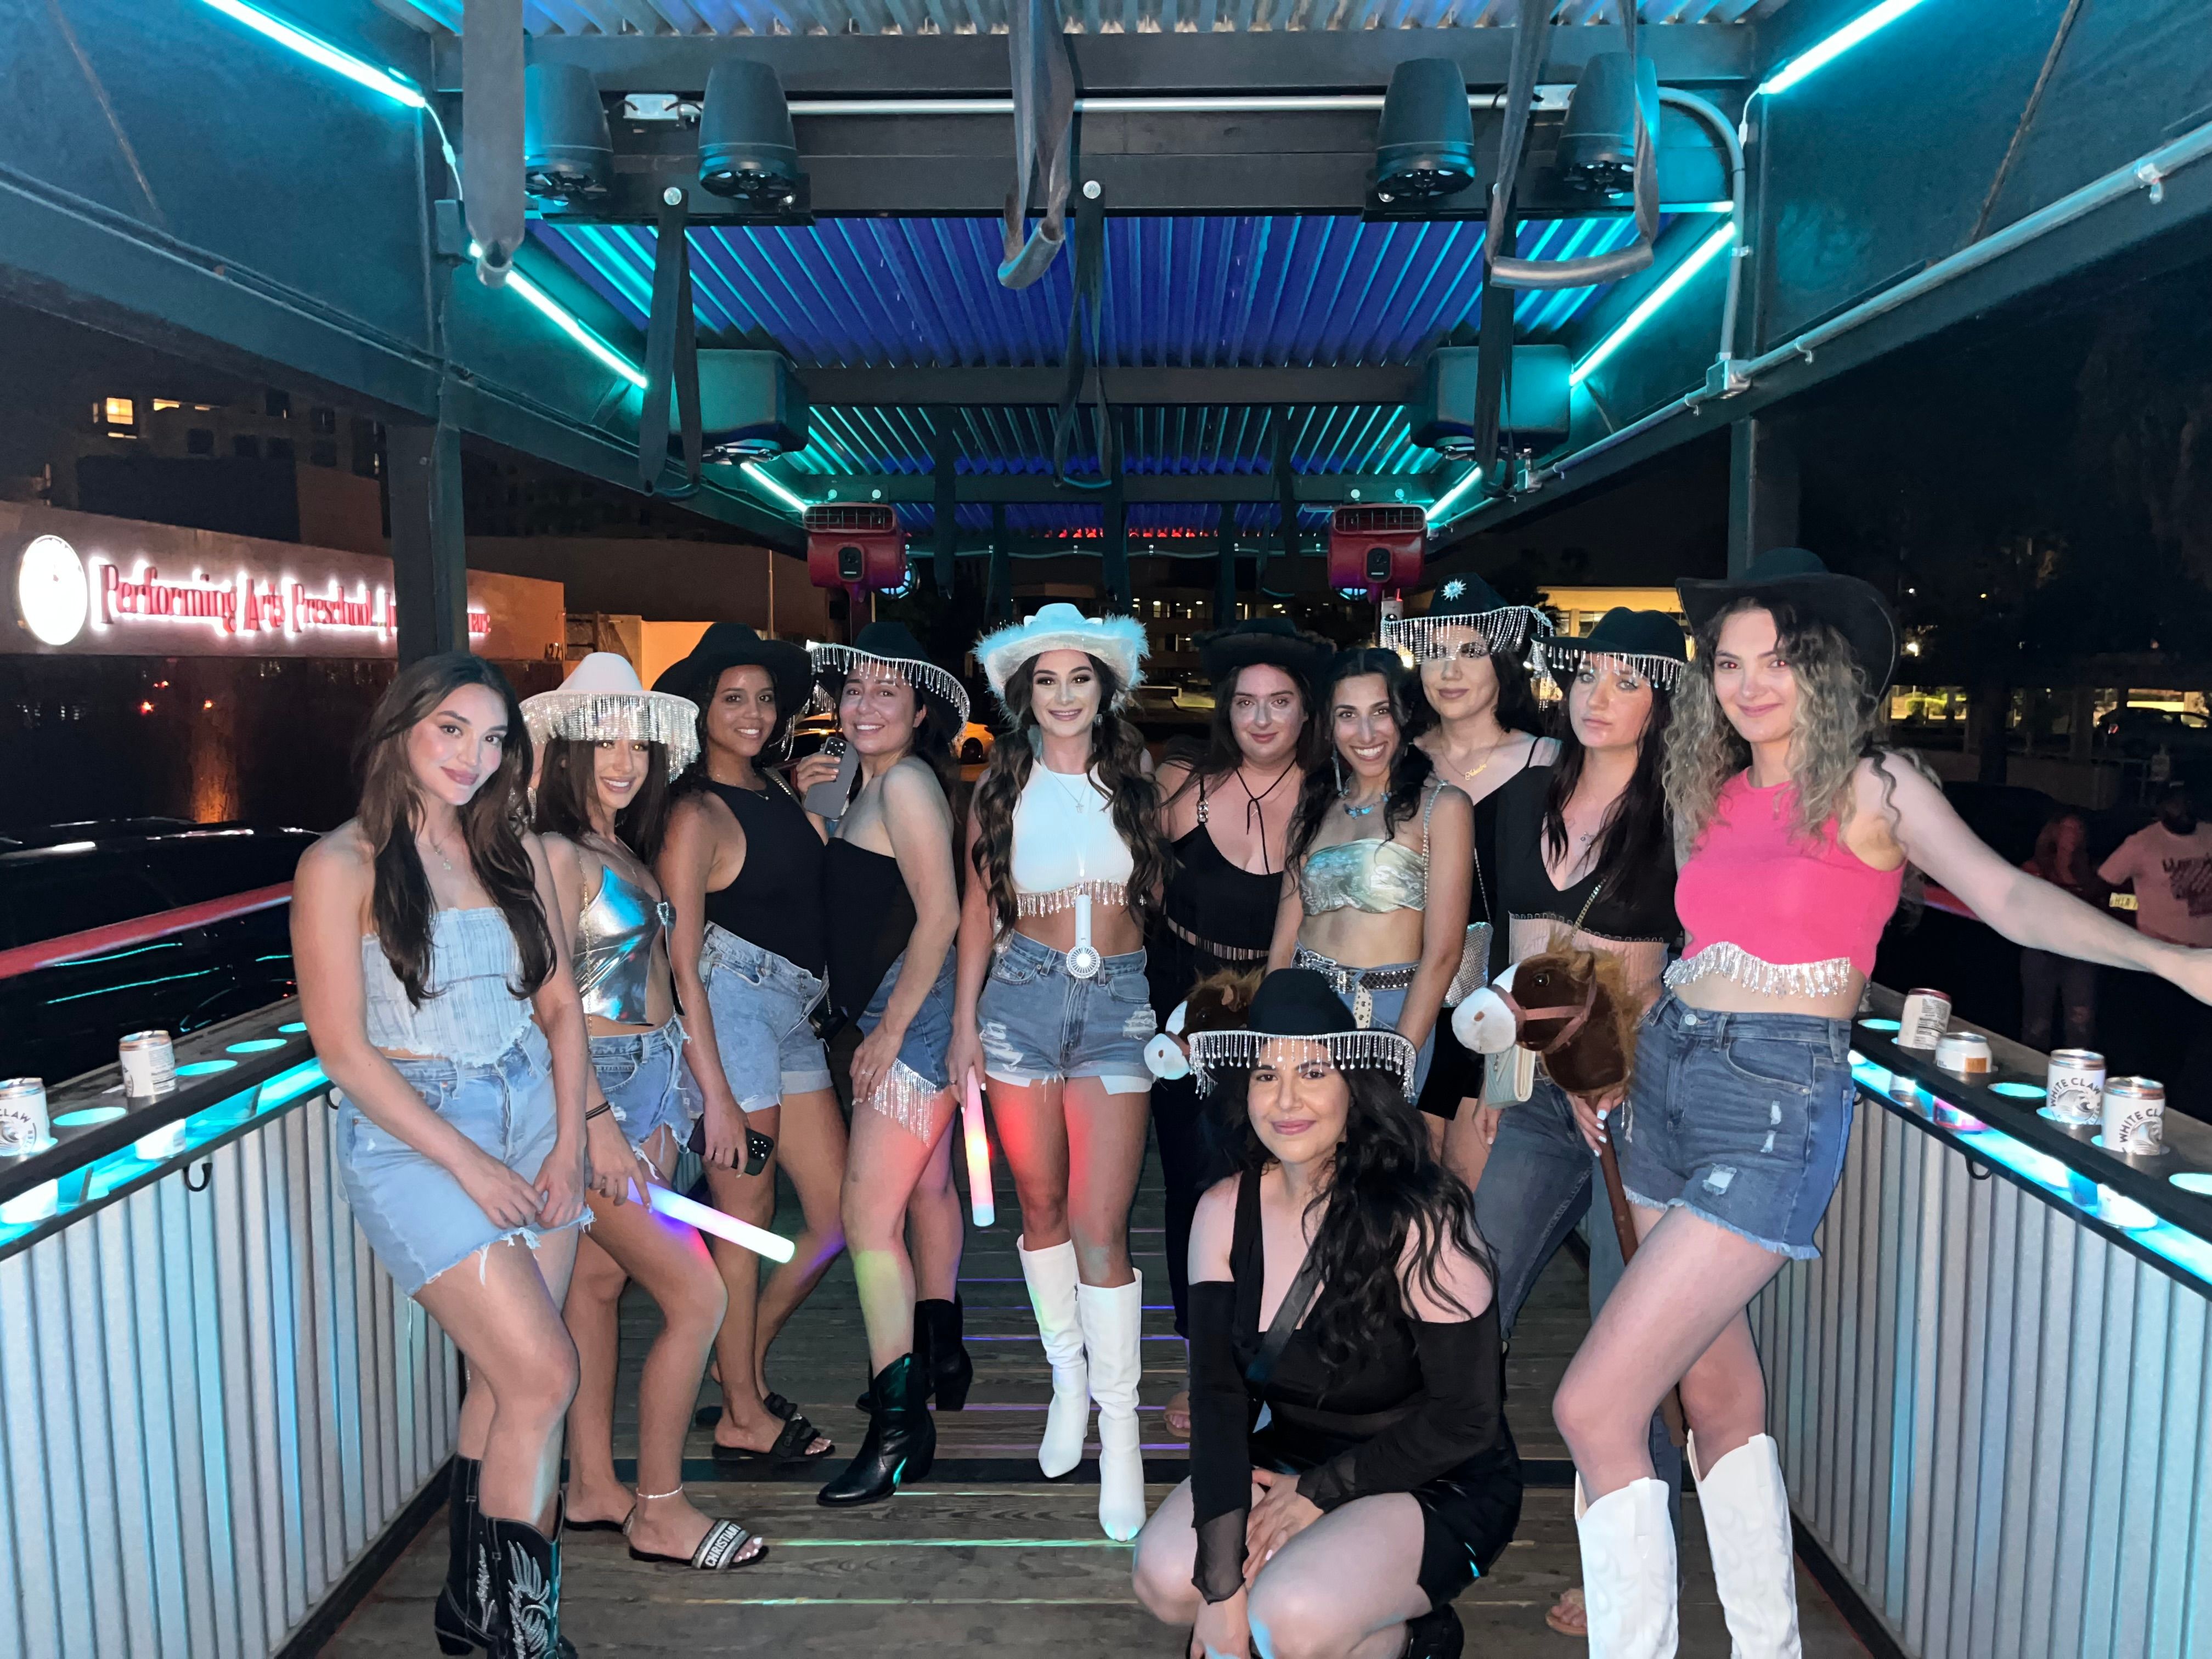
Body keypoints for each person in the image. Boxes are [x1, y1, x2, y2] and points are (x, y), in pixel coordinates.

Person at [1556, 549, 2212, 1656]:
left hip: (1772, 1102)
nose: (1750, 682)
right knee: (1718, 1405)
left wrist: (2175, 966)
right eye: (1728, 662)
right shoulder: (1706, 785)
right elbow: (1678, 942)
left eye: (1781, 660)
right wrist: (1603, 1058)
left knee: (1592, 1409)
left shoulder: (1876, 784)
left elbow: (2007, 897)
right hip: (1663, 1078)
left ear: (1834, 671)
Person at [292, 653, 591, 1659]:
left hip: (531, 1113)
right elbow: (343, 1049)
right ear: (401, 731)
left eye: (495, 736)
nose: (475, 754)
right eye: (453, 729)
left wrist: (572, 1140)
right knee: (546, 1372)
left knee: (505, 1385)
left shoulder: (511, 849)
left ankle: (471, 1610)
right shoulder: (343, 863)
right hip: (418, 1135)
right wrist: (470, 1161)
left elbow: (559, 1006)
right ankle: (519, 1635)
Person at [1130, 968, 1522, 1659]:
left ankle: (1416, 1637)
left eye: (1312, 1071)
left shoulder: (1420, 1222)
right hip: (1295, 1453)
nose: (1286, 1099)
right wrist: (1221, 1592)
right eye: (1264, 1074)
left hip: (1435, 1472)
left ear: (1353, 1088)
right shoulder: (1222, 1212)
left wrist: (1320, 1494)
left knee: (1290, 1618)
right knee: (1168, 1580)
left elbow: (1468, 1418)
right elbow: (1219, 1401)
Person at [1464, 609, 1686, 1639]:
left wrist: (1639, 1088)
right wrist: (1482, 1090)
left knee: (1624, 1343)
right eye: (1583, 675)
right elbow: (1498, 954)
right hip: (1537, 1096)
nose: (1596, 696)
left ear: (1661, 697)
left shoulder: (1683, 810)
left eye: (1624, 681)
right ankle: (1437, 1497)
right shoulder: (1521, 800)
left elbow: (1703, 968)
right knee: (1468, 1288)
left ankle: (1623, 1566)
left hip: (1632, 1101)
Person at [525, 653, 764, 1573]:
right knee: (696, 1291)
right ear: (568, 746)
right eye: (603, 739)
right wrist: (595, 1124)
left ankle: (591, 1481)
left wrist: (687, 1090)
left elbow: (662, 977)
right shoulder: (556, 852)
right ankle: (659, 1508)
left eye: (637, 740)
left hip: (643, 1079)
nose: (623, 758)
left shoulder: (616, 842)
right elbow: (551, 1003)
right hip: (599, 1091)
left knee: (595, 1287)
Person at [946, 603, 1166, 1541]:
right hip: (1019, 1004)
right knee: (1038, 1207)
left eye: (1081, 678)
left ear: (1104, 688)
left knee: (1097, 1222)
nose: (1066, 694)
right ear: (1024, 692)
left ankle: (1121, 1428)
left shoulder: (1140, 779)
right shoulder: (996, 786)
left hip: (1117, 1004)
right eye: (1047, 679)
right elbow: (971, 915)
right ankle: (1066, 1380)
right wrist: (961, 1025)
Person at [654, 625, 841, 1469]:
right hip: (730, 1012)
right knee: (749, 1220)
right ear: (701, 710)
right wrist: (716, 1092)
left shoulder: (772, 792)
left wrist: (811, 805)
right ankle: (739, 1410)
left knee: (835, 1217)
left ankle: (737, 1368)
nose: (755, 713)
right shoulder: (693, 812)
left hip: (791, 1014)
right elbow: (682, 963)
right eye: (733, 698)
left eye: (765, 698)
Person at [1149, 617, 1334, 1439]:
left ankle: (1274, 1362)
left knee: (1278, 1187)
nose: (1262, 719)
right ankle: (1206, 1364)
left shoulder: (1327, 798)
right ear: (1227, 709)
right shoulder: (1183, 784)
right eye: (1248, 703)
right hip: (1180, 1003)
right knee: (1193, 1187)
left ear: (1305, 713)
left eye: (1281, 703)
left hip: (1276, 1010)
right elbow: (1134, 892)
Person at [806, 623, 970, 1506]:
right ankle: (933, 1361)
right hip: (901, 1018)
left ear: (919, 710)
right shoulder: (871, 784)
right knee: (923, 1193)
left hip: (907, 1023)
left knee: (868, 1224)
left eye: (887, 692)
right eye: (856, 689)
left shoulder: (905, 785)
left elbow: (940, 917)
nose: (866, 704)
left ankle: (899, 1431)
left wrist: (889, 1032)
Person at [1385, 574, 1556, 1182]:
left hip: (1501, 1011)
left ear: (1502, 662)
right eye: (1434, 653)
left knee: (1470, 1205)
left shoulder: (1548, 763)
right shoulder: (1398, 760)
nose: (1449, 670)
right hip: (1405, 1003)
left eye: (1469, 650)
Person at [1269, 648, 1472, 1104]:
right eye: (1347, 715)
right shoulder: (1316, 803)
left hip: (1384, 1016)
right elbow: (1284, 940)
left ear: (1402, 717)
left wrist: (1400, 1052)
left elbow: (1443, 953)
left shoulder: (1443, 807)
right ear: (1330, 724)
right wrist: (1271, 1023)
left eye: (1379, 712)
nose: (1365, 733)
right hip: (1304, 1004)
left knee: (1373, 1165)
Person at [2019, 806, 2103, 1050]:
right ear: (2054, 833)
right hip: (2042, 952)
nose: (2073, 834)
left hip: (2080, 954)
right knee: (2037, 1023)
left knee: (2081, 1024)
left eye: (2078, 829)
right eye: (2068, 828)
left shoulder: (2091, 872)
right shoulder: (2035, 869)